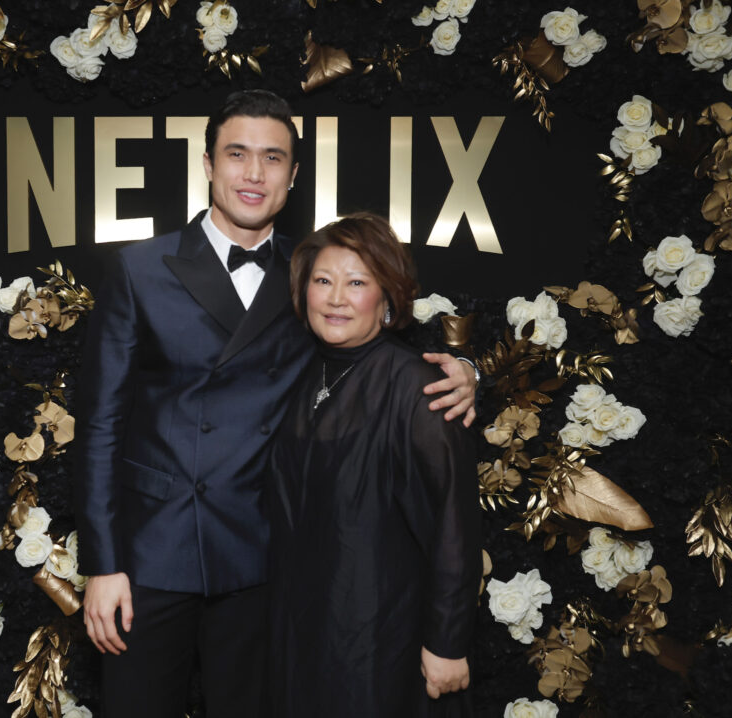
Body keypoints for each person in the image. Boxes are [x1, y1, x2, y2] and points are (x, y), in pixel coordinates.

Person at [74, 90, 478, 718]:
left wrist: (469, 371)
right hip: (150, 558)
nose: (254, 175)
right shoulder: (140, 268)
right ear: (208, 164)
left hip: (262, 561)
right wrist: (102, 564)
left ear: (293, 175)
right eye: (238, 155)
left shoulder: (313, 272)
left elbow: (381, 350)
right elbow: (100, 424)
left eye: (272, 159)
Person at [268, 212, 481, 718]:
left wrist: (448, 642)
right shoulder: (304, 371)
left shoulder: (417, 387)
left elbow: (454, 521)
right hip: (301, 630)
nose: (335, 297)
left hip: (380, 637)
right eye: (322, 280)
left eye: (356, 283)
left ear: (387, 299)